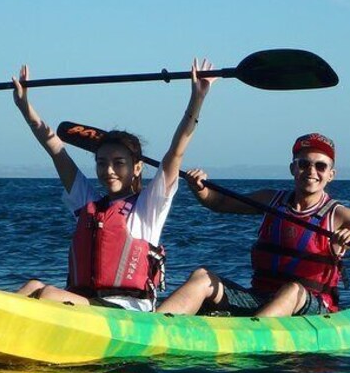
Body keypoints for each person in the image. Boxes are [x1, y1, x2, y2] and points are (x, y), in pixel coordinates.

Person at [12, 58, 216, 312]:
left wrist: (197, 100)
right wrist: (25, 107)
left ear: (137, 167)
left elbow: (175, 152)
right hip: (85, 304)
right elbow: (56, 150)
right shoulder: (88, 204)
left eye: (119, 163)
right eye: (101, 163)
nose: (108, 170)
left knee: (47, 294)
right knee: (33, 286)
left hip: (128, 312)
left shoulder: (149, 206)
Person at [156, 132, 350, 317]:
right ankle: (155, 324)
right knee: (201, 276)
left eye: (320, 166)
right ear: (293, 168)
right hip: (259, 298)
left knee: (292, 290)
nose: (311, 171)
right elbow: (218, 203)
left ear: (331, 174)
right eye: (303, 164)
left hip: (310, 304)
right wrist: (199, 189)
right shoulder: (271, 200)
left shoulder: (339, 214)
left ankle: (250, 337)